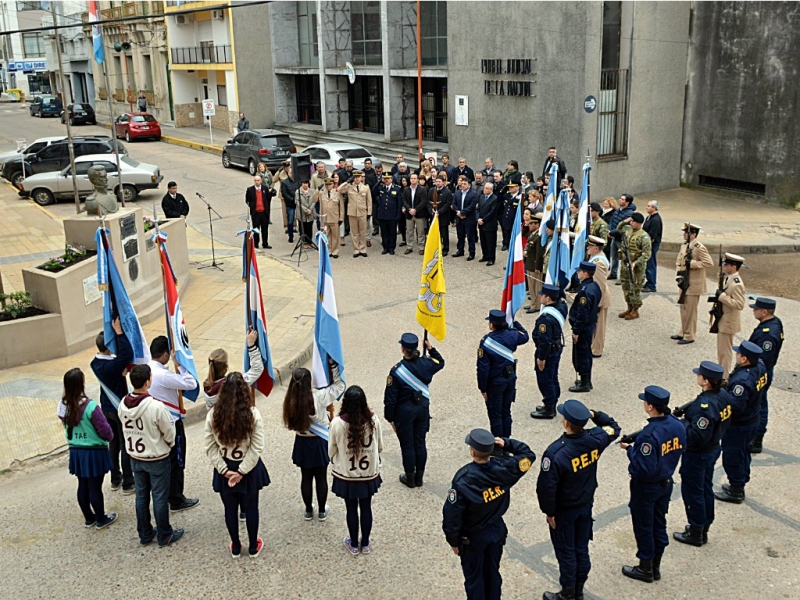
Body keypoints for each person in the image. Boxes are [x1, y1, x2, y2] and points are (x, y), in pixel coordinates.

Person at [537, 400, 621, 600]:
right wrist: (593, 414)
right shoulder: (596, 439)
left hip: (565, 511)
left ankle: (567, 593)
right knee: (581, 548)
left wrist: (549, 512)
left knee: (566, 552)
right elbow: (613, 428)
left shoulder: (556, 453)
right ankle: (579, 590)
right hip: (585, 504)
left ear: (566, 422)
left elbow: (546, 488)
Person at [443, 429, 536, 599]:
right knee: (492, 573)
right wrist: (506, 443)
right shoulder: (506, 467)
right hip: (496, 530)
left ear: (472, 452)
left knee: (474, 578)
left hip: (473, 536)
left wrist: (453, 540)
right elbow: (528, 455)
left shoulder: (463, 479)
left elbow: (452, 515)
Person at [618, 386, 686, 584]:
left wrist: (630, 450)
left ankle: (645, 566)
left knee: (643, 525)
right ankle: (655, 565)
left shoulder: (649, 435)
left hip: (647, 487)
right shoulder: (677, 425)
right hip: (666, 482)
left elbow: (643, 467)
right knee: (658, 522)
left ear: (650, 406)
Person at [205, 371, 270, 559]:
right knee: (251, 508)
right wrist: (241, 471)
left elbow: (209, 447)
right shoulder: (253, 414)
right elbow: (257, 447)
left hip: (225, 466)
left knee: (230, 509)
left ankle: (235, 546)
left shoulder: (213, 415)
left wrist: (225, 471)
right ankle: (252, 546)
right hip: (248, 468)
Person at [119, 364, 183, 547]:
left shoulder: (123, 404)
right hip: (156, 457)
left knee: (141, 496)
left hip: (135, 457)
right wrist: (169, 445)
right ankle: (164, 534)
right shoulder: (155, 406)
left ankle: (145, 533)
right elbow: (169, 433)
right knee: (159, 497)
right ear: (148, 382)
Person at [673, 361, 732, 547]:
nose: (697, 376)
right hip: (713, 448)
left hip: (698, 454)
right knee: (705, 487)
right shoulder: (722, 395)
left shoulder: (705, 406)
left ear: (706, 381)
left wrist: (681, 423)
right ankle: (704, 524)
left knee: (693, 491)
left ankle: (696, 530)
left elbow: (697, 436)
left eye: (699, 375)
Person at [58, 368, 117, 530]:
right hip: (94, 451)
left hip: (76, 451)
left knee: (82, 484)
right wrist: (110, 438)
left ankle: (89, 518)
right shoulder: (90, 406)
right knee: (95, 487)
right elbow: (105, 430)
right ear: (82, 383)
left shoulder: (63, 405)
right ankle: (101, 518)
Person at [283, 365, 344, 521]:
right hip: (318, 442)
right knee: (321, 477)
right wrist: (333, 367)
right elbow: (340, 386)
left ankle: (309, 510)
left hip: (302, 441)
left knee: (306, 477)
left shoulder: (290, 400)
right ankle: (322, 510)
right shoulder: (319, 397)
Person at [384, 333, 445, 488]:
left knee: (407, 446)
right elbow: (441, 362)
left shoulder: (396, 371)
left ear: (403, 349)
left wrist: (390, 417)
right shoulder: (427, 363)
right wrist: (431, 349)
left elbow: (391, 398)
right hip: (422, 410)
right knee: (420, 443)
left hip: (404, 413)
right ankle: (419, 477)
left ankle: (410, 477)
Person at [329, 385, 384, 555]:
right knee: (366, 506)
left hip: (347, 474)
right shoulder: (374, 421)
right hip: (368, 474)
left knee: (351, 508)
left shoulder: (337, 423)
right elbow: (380, 446)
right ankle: (365, 544)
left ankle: (353, 544)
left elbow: (331, 450)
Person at [148, 336, 200, 513]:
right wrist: (180, 364)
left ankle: (169, 494)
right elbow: (191, 383)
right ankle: (176, 498)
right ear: (164, 354)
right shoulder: (162, 374)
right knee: (176, 460)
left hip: (156, 423)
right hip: (171, 423)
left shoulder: (148, 368)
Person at [714, 341, 767, 504]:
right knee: (744, 452)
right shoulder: (759, 366)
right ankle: (741, 479)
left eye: (738, 354)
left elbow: (736, 407)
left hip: (740, 426)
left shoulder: (741, 382)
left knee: (733, 455)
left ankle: (736, 489)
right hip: (753, 418)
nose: (736, 355)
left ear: (744, 359)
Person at [91, 317, 134, 494]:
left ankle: (115, 478)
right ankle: (127, 483)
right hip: (118, 409)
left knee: (113, 444)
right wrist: (119, 333)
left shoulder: (95, 363)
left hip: (106, 407)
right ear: (108, 346)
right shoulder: (113, 365)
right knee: (124, 445)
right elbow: (127, 354)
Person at [477, 310, 530, 438]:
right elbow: (525, 336)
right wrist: (515, 322)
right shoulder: (512, 335)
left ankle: (499, 445)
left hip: (495, 382)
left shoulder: (486, 342)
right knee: (506, 412)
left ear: (491, 325)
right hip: (510, 378)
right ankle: (507, 440)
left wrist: (482, 388)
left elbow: (483, 369)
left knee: (495, 415)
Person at [747, 297, 784, 453]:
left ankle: (757, 438)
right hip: (761, 370)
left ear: (764, 312)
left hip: (761, 372)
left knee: (760, 404)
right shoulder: (773, 323)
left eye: (756, 309)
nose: (754, 311)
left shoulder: (768, 333)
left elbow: (763, 359)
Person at [672, 223, 714, 345]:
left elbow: (708, 263)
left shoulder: (699, 247)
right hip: (684, 281)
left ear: (693, 234)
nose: (684, 234)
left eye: (686, 232)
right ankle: (683, 331)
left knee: (691, 310)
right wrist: (679, 276)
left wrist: (693, 264)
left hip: (694, 283)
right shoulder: (684, 246)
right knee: (683, 308)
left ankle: (690, 335)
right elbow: (679, 261)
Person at [531, 284, 568, 420]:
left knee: (545, 379)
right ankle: (552, 402)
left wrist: (541, 358)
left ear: (548, 298)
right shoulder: (561, 306)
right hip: (556, 348)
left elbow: (544, 341)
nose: (540, 296)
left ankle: (549, 407)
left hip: (548, 352)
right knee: (553, 376)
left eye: (543, 295)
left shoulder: (545, 319)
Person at [203, 330, 263, 408]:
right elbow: (257, 369)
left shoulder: (207, 386)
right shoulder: (232, 383)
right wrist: (251, 345)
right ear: (226, 366)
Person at [568, 262, 601, 393]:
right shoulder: (594, 286)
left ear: (585, 274)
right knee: (585, 353)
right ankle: (586, 380)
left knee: (581, 354)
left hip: (583, 327)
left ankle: (584, 382)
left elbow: (582, 313)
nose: (577, 273)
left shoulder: (585, 292)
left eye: (579, 271)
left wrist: (576, 330)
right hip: (590, 324)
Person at [714, 253, 746, 378]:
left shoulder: (737, 284)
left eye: (726, 265)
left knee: (725, 352)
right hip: (723, 318)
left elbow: (739, 304)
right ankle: (722, 373)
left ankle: (724, 377)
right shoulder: (728, 278)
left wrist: (722, 297)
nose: (724, 267)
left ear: (734, 266)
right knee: (721, 351)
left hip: (729, 321)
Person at [616, 212, 652, 320]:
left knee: (635, 288)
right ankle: (629, 308)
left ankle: (635, 310)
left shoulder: (644, 236)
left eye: (634, 222)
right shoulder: (628, 230)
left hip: (636, 268)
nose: (631, 223)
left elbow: (646, 254)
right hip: (625, 264)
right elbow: (619, 228)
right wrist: (625, 221)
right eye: (631, 221)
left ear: (639, 223)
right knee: (626, 287)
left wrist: (636, 263)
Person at [338, 170, 372, 258]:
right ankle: (356, 250)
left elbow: (369, 201)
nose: (356, 179)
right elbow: (339, 189)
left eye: (358, 177)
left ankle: (363, 249)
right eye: (355, 177)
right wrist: (347, 181)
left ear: (361, 178)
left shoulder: (366, 188)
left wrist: (369, 213)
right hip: (352, 213)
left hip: (362, 212)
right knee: (354, 233)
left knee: (362, 232)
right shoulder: (349, 187)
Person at [585, 237, 610, 358]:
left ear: (596, 248)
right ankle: (593, 346)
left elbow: (600, 285)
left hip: (600, 298)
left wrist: (596, 303)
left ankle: (597, 349)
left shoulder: (598, 263)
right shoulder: (595, 257)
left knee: (599, 326)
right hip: (595, 296)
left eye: (589, 247)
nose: (587, 248)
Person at [607, 193, 636, 279]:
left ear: (627, 202)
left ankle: (623, 276)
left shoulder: (630, 213)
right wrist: (610, 230)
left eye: (622, 199)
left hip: (622, 239)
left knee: (624, 258)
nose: (620, 200)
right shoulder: (618, 210)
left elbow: (623, 227)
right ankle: (613, 273)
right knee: (614, 257)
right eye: (620, 198)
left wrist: (612, 233)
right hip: (614, 238)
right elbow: (612, 221)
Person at [245, 174, 276, 250]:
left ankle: (265, 243)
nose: (257, 182)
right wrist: (252, 207)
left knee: (265, 229)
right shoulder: (250, 190)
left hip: (264, 213)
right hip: (256, 213)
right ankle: (256, 244)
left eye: (258, 180)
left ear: (261, 181)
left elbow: (268, 198)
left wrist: (272, 192)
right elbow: (247, 200)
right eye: (255, 180)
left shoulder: (265, 188)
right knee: (256, 229)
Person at [314, 177, 342, 258]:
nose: (328, 186)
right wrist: (317, 190)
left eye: (330, 184)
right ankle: (328, 251)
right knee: (326, 236)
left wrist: (341, 218)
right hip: (325, 218)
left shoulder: (337, 193)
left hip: (334, 217)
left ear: (333, 184)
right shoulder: (321, 193)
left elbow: (341, 207)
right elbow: (313, 200)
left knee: (335, 236)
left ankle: (335, 251)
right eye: (326, 184)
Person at [375, 172, 403, 255]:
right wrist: (379, 181)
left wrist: (398, 215)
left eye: (388, 178)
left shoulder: (397, 189)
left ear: (391, 179)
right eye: (385, 178)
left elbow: (399, 203)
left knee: (392, 232)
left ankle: (391, 248)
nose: (386, 180)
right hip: (382, 215)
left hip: (392, 215)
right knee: (384, 232)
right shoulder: (381, 188)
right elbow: (373, 192)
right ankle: (385, 247)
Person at [452, 176, 478, 260]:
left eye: (464, 184)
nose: (462, 185)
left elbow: (472, 206)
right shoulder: (457, 193)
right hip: (459, 218)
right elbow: (454, 204)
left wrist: (463, 212)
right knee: (460, 236)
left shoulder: (473, 194)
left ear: (469, 185)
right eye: (462, 184)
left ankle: (471, 253)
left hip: (469, 218)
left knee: (470, 237)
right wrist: (458, 212)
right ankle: (460, 250)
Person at [524, 212, 545, 311]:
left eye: (532, 224)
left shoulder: (539, 236)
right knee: (531, 287)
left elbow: (539, 253)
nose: (530, 225)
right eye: (530, 223)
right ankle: (533, 302)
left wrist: (538, 267)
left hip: (534, 265)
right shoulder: (532, 234)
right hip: (529, 263)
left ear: (537, 225)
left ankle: (536, 305)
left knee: (536, 287)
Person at [429, 174, 453, 256]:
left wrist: (438, 212)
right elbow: (428, 202)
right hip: (433, 216)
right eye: (436, 182)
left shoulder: (447, 192)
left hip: (443, 216)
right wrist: (431, 210)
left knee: (444, 233)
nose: (438, 183)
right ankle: (435, 247)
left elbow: (447, 204)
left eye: (439, 182)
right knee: (435, 233)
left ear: (443, 182)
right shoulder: (432, 190)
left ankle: (445, 248)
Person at [477, 182, 499, 266]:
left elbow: (492, 212)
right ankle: (485, 255)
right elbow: (478, 209)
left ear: (491, 189)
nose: (484, 189)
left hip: (489, 224)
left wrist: (483, 219)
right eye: (484, 188)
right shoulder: (482, 197)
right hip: (481, 223)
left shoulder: (494, 198)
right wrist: (478, 218)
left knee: (490, 242)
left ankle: (491, 258)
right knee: (483, 241)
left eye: (486, 188)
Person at [642, 200, 662, 292]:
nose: (647, 207)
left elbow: (652, 236)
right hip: (647, 243)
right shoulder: (649, 217)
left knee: (651, 264)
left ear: (654, 208)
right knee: (647, 264)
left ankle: (651, 285)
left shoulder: (656, 220)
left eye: (649, 206)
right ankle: (649, 281)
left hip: (652, 245)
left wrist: (646, 246)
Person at [499, 182, 523, 251]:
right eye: (509, 187)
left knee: (513, 232)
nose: (510, 188)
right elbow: (499, 202)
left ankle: (512, 245)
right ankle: (506, 243)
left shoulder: (520, 196)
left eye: (512, 187)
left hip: (514, 218)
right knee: (506, 231)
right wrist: (501, 192)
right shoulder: (507, 195)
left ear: (517, 187)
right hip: (506, 217)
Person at [280, 166, 299, 244]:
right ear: (288, 173)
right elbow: (284, 193)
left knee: (301, 220)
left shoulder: (298, 181)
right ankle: (290, 236)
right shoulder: (284, 183)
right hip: (290, 204)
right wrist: (292, 199)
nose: (292, 174)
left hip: (298, 204)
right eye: (291, 172)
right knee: (290, 221)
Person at [295, 179, 316, 248]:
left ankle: (309, 241)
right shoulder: (297, 192)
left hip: (311, 213)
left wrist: (310, 209)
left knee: (309, 228)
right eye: (303, 183)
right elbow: (298, 202)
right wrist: (305, 210)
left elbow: (314, 201)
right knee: (302, 228)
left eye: (306, 183)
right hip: (302, 213)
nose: (305, 185)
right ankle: (304, 242)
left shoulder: (312, 191)